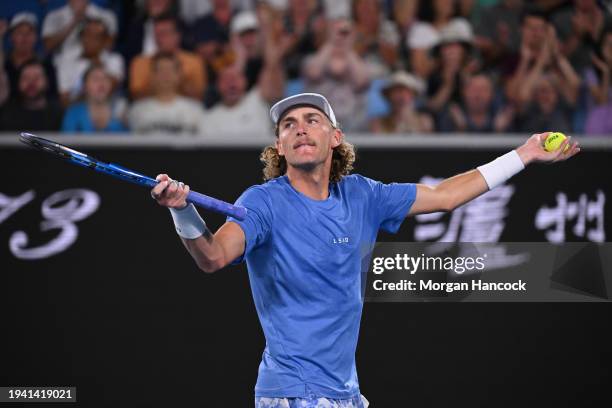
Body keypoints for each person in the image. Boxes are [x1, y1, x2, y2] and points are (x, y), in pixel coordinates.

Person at [149, 92, 580, 407]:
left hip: (346, 394)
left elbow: (446, 195)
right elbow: (213, 257)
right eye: (288, 124)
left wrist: (523, 154)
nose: (299, 126)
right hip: (292, 393)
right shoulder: (261, 202)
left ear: (334, 137)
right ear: (279, 146)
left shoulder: (364, 196)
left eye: (312, 120)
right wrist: (182, 212)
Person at [129, 13, 206, 100]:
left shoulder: (194, 62)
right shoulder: (140, 62)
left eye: (164, 33)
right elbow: (136, 96)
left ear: (177, 36)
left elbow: (199, 96)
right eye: (157, 34)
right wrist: (161, 81)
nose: (159, 39)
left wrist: (177, 80)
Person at [128, 52, 204, 134]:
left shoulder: (196, 110)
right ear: (152, 75)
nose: (166, 74)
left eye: (170, 70)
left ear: (179, 75)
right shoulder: (137, 110)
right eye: (161, 70)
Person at [55, 17, 124, 105]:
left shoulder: (115, 60)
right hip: (78, 108)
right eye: (87, 35)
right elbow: (64, 99)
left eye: (97, 37)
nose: (91, 40)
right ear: (81, 38)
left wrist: (96, 61)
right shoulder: (66, 62)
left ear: (105, 41)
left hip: (109, 107)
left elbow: (111, 88)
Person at [3, 13, 58, 100]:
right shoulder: (3, 64)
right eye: (19, 32)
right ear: (11, 37)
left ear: (36, 37)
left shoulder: (46, 65)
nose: (25, 37)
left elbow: (52, 98)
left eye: (30, 32)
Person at [42, 0, 118, 64]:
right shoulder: (53, 16)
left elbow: (109, 46)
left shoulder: (107, 16)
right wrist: (74, 21)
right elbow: (48, 46)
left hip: (97, 62)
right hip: (63, 64)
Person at [0, 60, 63, 131]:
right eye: (26, 78)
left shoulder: (59, 114)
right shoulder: (6, 114)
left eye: (37, 78)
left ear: (47, 82)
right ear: (18, 83)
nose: (31, 82)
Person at [62, 65, 127, 132]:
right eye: (95, 79)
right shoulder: (74, 112)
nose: (101, 83)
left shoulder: (120, 112)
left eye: (105, 79)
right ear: (84, 86)